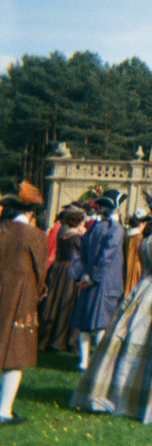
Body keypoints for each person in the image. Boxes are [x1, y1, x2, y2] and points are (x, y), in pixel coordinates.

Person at [70, 193, 152, 423]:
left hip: (146, 288)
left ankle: (126, 389)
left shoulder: (147, 241)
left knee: (137, 337)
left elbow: (146, 270)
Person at [0, 182, 48, 425]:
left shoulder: (1, 229)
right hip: (21, 297)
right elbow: (41, 272)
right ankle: (4, 411)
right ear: (31, 211)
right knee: (14, 354)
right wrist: (38, 294)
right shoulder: (35, 235)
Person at [70, 189, 127, 371]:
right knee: (102, 323)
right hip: (105, 281)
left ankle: (84, 360)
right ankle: (96, 361)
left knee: (86, 322)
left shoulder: (94, 227)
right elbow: (106, 256)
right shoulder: (116, 229)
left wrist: (83, 274)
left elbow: (81, 252)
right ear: (117, 208)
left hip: (90, 278)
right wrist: (93, 278)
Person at [38, 204, 85, 353]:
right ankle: (61, 341)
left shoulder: (62, 234)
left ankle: (46, 339)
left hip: (58, 269)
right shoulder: (77, 237)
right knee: (67, 305)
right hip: (70, 271)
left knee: (53, 304)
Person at [122, 208, 149, 296]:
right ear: (142, 224)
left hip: (123, 271)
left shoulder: (126, 236)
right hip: (136, 274)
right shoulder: (140, 238)